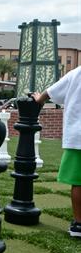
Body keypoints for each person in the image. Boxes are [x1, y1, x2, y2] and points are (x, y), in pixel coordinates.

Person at [33, 66, 81, 237]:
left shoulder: (76, 73)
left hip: (78, 136)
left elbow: (52, 91)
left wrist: (39, 99)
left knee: (78, 182)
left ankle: (78, 224)